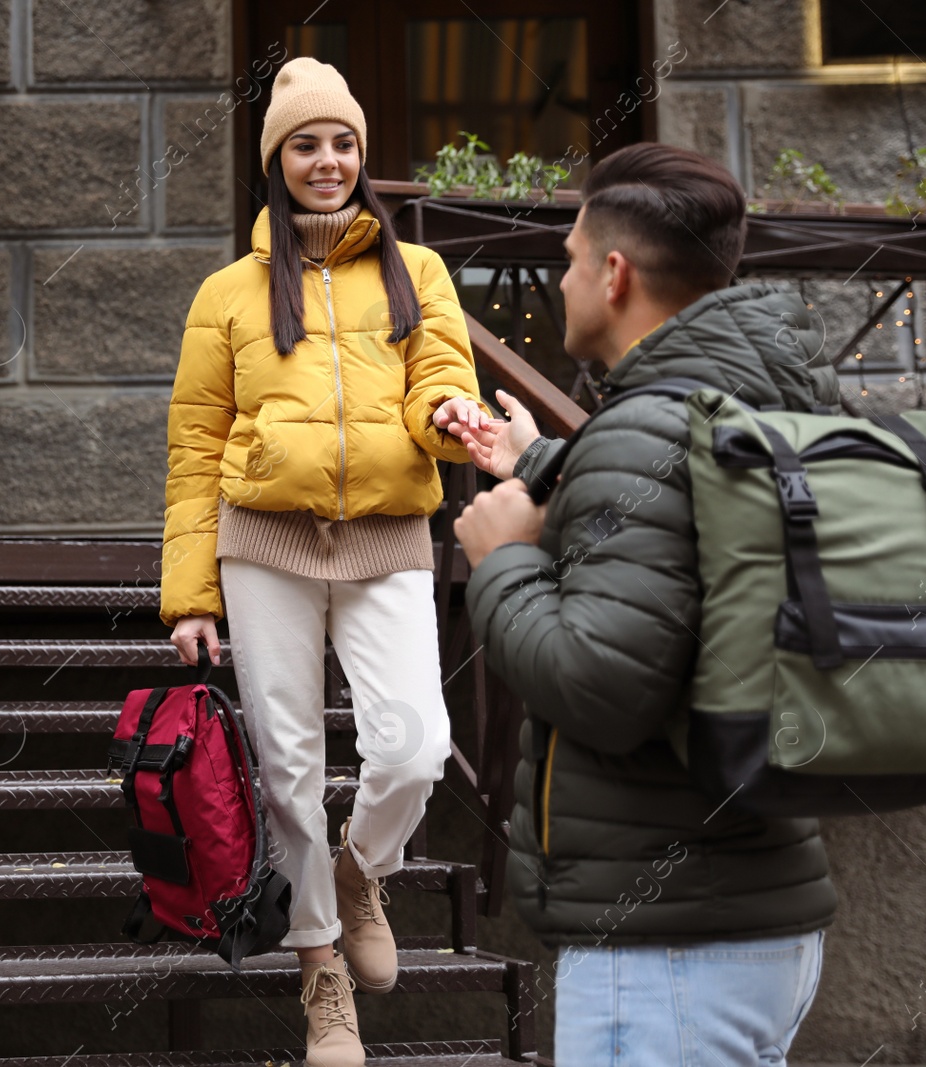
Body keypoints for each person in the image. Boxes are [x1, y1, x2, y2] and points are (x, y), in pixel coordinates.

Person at [453, 142, 839, 1066]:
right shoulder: (763, 404)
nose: (564, 278)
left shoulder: (649, 425)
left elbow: (600, 686)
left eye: (571, 259)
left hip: (669, 939)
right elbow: (681, 535)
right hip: (756, 910)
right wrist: (541, 463)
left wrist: (500, 562)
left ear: (615, 273)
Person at [158, 57, 488, 1067]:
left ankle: (359, 872)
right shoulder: (227, 292)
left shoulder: (415, 272)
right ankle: (320, 972)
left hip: (387, 537)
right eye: (305, 144)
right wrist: (189, 593)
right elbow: (194, 443)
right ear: (276, 161)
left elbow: (440, 371)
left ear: (359, 157)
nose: (327, 159)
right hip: (264, 544)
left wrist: (445, 415)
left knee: (413, 746)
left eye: (341, 142)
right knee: (291, 768)